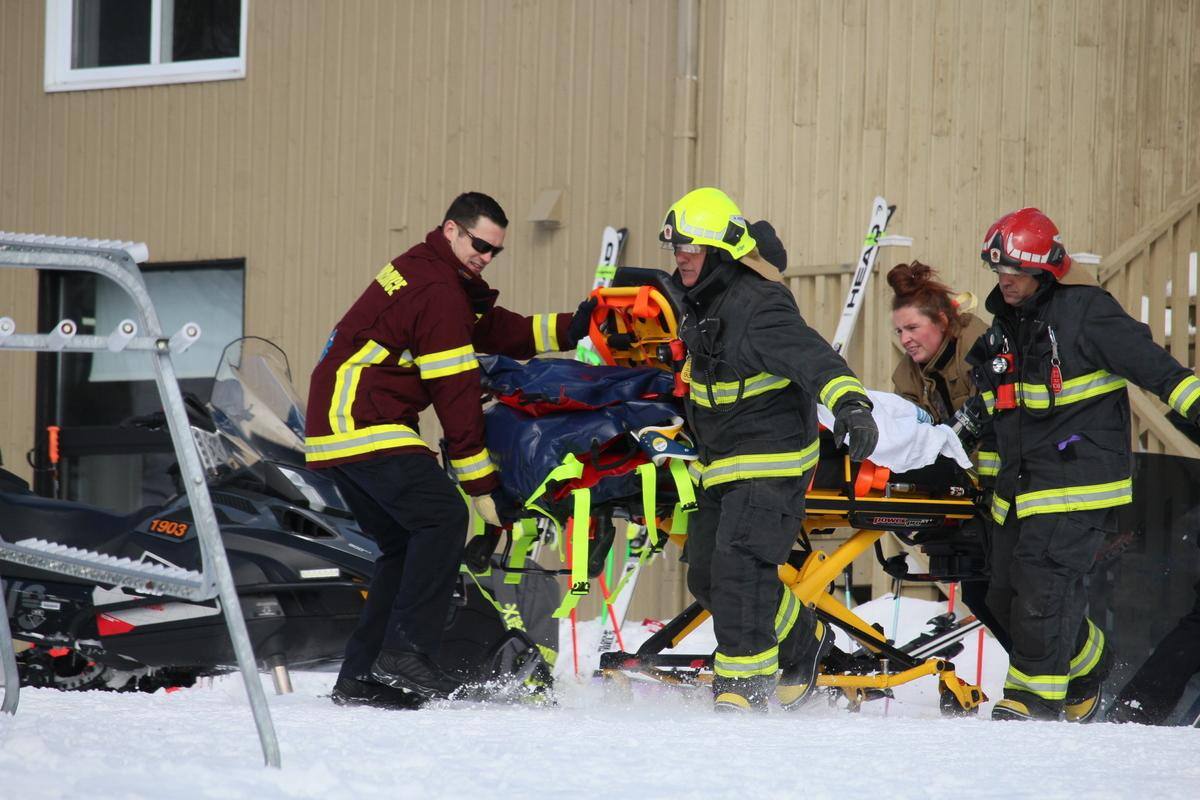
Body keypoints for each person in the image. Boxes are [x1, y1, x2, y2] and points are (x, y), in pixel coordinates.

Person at [304, 192, 594, 708]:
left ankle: (359, 675)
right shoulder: (438, 290)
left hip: (339, 424)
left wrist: (573, 327)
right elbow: (455, 392)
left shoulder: (435, 278)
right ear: (451, 231)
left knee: (402, 545)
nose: (485, 255)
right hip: (364, 421)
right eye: (479, 244)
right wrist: (481, 485)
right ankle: (405, 652)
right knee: (440, 516)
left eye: (495, 251)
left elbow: (494, 328)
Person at [966, 207, 1200, 721]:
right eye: (1000, 273)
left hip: (1078, 481)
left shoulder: (1088, 314)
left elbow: (1155, 367)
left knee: (1041, 581)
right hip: (1021, 484)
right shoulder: (1007, 326)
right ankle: (1091, 668)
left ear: (1046, 272)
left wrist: (1194, 403)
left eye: (1017, 274)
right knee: (1001, 590)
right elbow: (994, 401)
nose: (1006, 283)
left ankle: (1034, 702)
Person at [661, 187, 878, 712]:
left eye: (690, 246)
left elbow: (813, 359)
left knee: (740, 565)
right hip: (723, 464)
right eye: (676, 247)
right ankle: (804, 643)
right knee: (708, 574)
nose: (680, 255)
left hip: (771, 461)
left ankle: (744, 690)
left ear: (718, 250)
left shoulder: (758, 304)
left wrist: (852, 405)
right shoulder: (700, 303)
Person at [887, 262, 1011, 653]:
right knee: (980, 594)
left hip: (1008, 489)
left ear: (942, 320)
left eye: (912, 328)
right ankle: (1033, 672)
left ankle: (1056, 673)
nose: (905, 339)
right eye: (899, 331)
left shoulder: (981, 346)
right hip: (966, 496)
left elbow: (998, 412)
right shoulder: (908, 373)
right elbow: (905, 422)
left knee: (1012, 591)